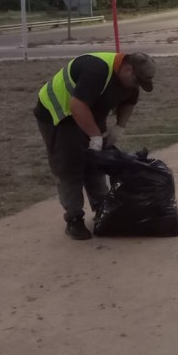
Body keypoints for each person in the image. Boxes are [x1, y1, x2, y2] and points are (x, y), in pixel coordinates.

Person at [33, 52, 156, 240]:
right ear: (128, 69)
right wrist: (95, 136)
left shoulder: (129, 78)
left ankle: (101, 208)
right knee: (70, 166)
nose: (136, 86)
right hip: (59, 114)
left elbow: (129, 101)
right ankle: (74, 219)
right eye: (136, 82)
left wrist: (119, 127)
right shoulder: (96, 70)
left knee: (97, 162)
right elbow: (76, 106)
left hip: (89, 110)